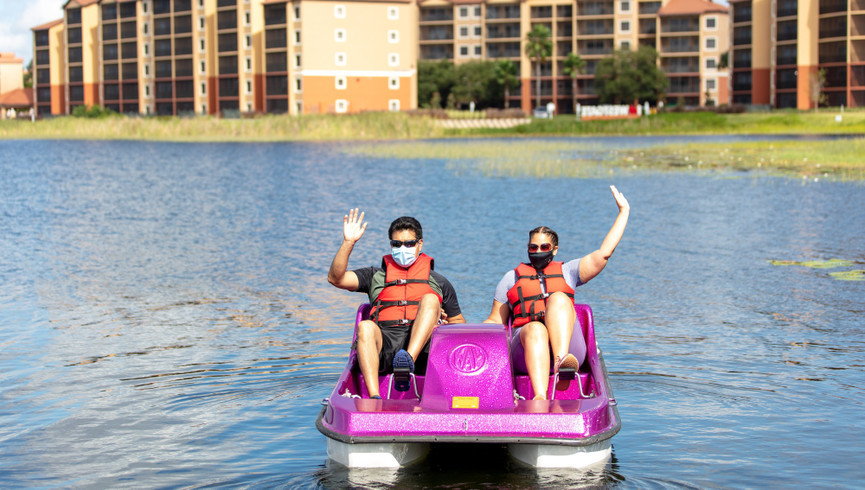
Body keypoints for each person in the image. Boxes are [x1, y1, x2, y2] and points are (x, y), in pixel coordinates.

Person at [484, 185, 630, 400]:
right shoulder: (511, 278)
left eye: (544, 247)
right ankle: (540, 397)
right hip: (525, 351)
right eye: (533, 247)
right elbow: (495, 321)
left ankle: (562, 362)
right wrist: (460, 332)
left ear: (555, 249)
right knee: (534, 327)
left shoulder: (568, 272)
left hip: (570, 350)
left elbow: (604, 253)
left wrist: (623, 211)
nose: (538, 251)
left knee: (559, 297)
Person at [328, 209, 465, 398]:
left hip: (425, 353)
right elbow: (336, 279)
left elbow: (459, 321)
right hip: (384, 347)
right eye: (397, 244)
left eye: (409, 243)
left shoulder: (439, 282)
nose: (403, 248)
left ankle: (407, 360)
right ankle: (374, 396)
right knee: (366, 326)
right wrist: (348, 242)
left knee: (431, 299)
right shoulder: (374, 276)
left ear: (419, 244)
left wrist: (446, 325)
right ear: (390, 245)